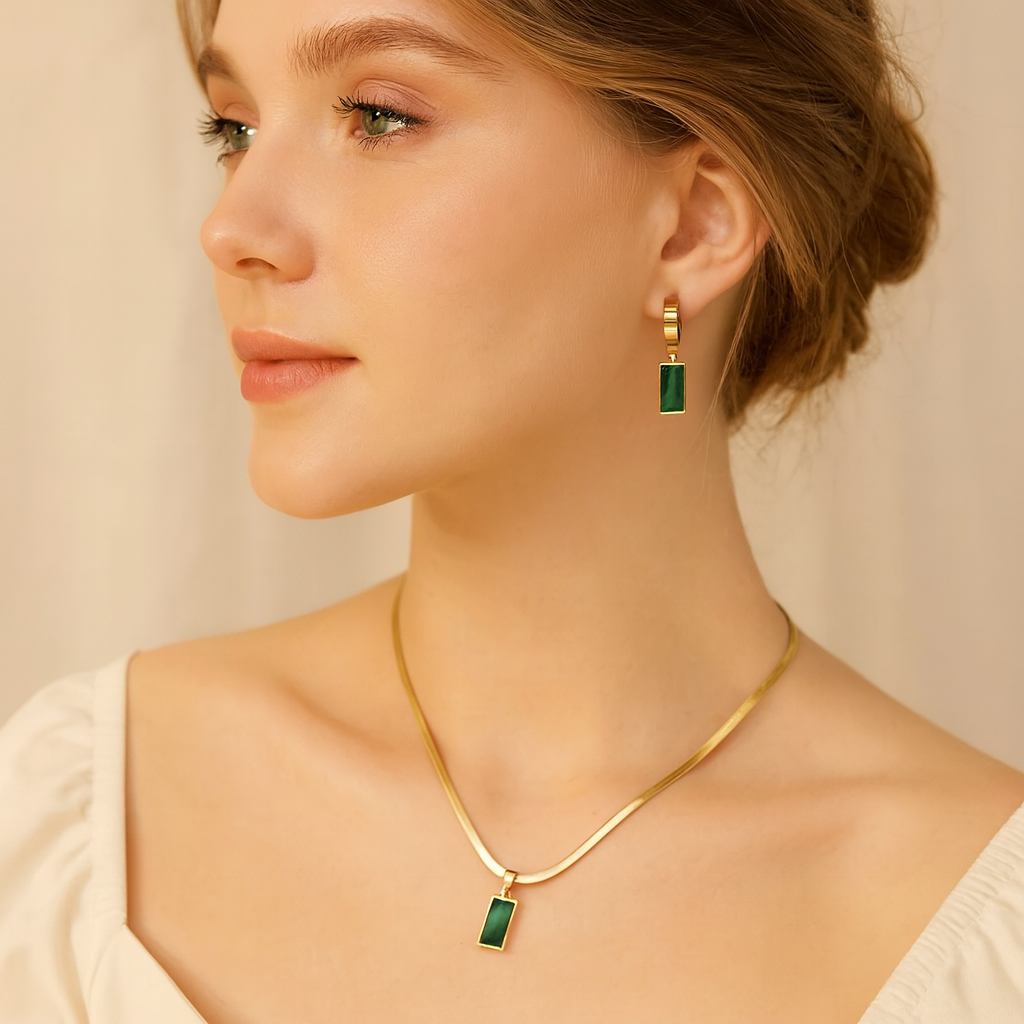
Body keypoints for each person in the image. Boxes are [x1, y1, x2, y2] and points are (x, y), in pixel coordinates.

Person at [1, 0, 1022, 1020]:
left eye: (377, 116)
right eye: (234, 128)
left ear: (693, 224)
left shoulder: (979, 936)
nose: (232, 231)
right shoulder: (78, 827)